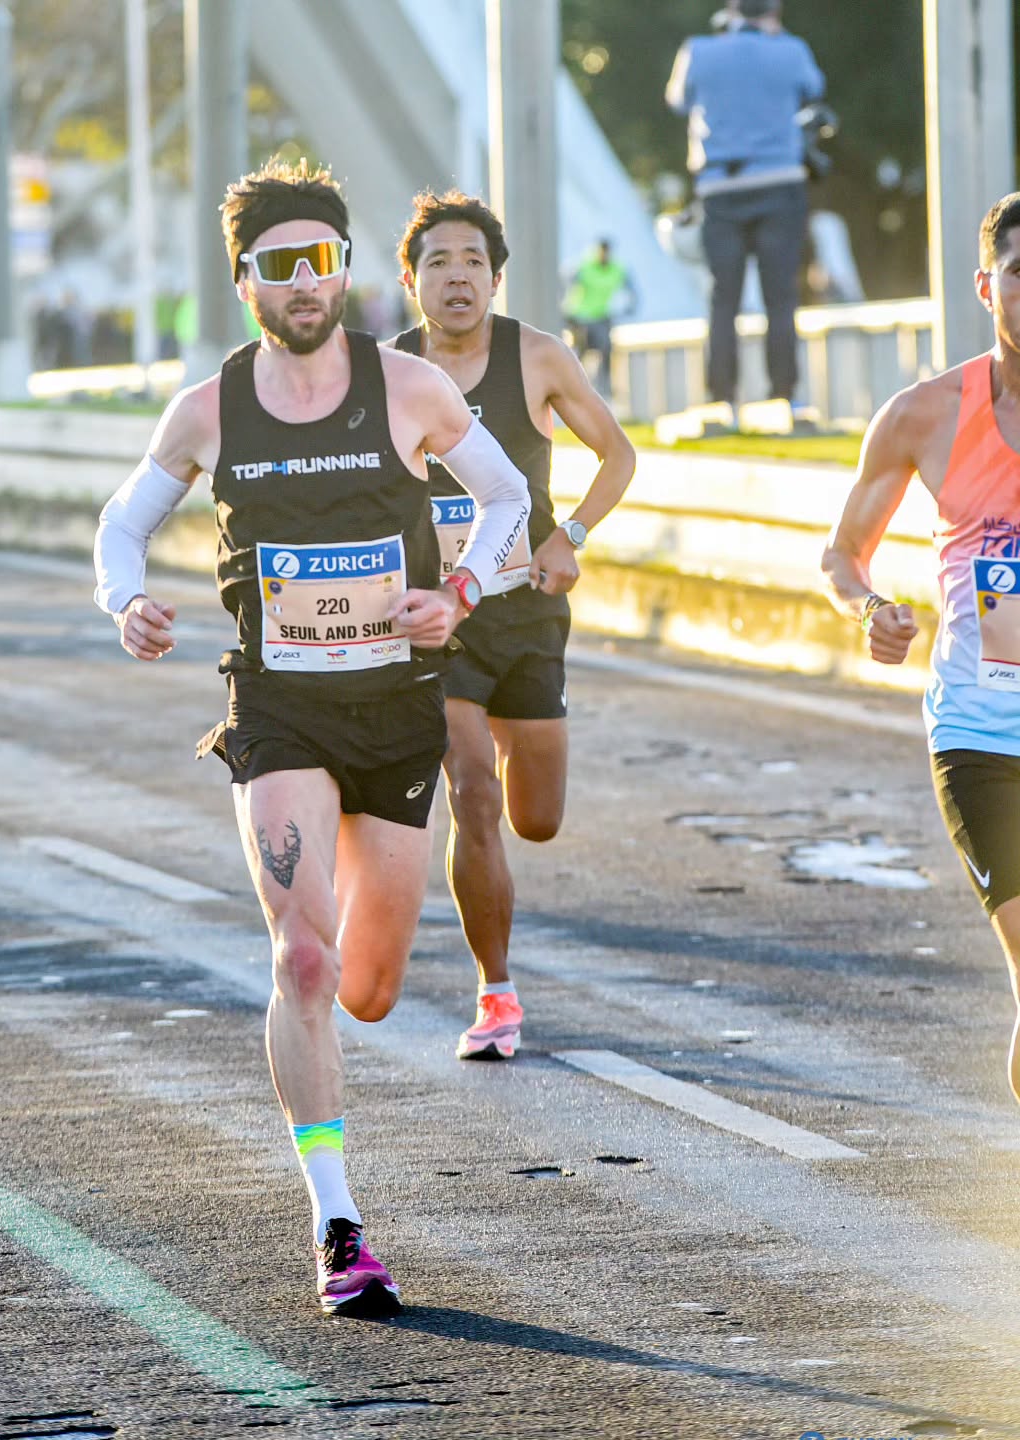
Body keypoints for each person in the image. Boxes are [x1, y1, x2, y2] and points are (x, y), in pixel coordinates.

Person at [92, 158, 530, 1316]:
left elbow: (507, 502)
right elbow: (121, 522)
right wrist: (122, 599)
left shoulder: (409, 392)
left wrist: (466, 592)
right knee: (302, 959)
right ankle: (339, 1227)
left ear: (344, 269)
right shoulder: (208, 409)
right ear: (245, 283)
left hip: (393, 715)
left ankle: (350, 1023)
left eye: (322, 260)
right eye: (280, 266)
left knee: (372, 988)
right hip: (276, 706)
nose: (304, 282)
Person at [391, 192, 635, 1061]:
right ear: (410, 279)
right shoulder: (387, 375)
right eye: (437, 263)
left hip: (528, 614)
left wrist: (568, 535)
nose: (456, 277)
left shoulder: (537, 357)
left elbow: (619, 453)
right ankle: (496, 994)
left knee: (537, 819)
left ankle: (506, 780)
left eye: (471, 262)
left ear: (496, 276)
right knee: (472, 795)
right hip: (437, 621)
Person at [823, 191, 1020, 1109]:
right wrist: (872, 609)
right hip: (983, 736)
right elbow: (843, 555)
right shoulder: (925, 414)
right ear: (988, 285)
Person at [666, 0, 825, 414]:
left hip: (721, 187)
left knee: (723, 298)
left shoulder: (699, 49)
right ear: (774, 11)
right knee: (781, 296)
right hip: (781, 182)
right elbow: (813, 90)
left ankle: (722, 398)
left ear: (729, 11)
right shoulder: (792, 49)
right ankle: (784, 395)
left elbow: (678, 100)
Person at [561, 238, 637, 399]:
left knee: (606, 349)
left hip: (601, 316)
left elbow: (631, 289)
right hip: (580, 316)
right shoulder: (583, 267)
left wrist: (630, 307)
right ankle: (571, 386)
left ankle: (603, 389)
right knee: (580, 351)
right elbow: (565, 282)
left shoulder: (617, 269)